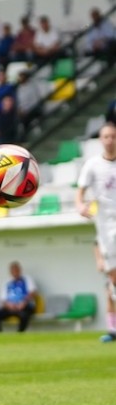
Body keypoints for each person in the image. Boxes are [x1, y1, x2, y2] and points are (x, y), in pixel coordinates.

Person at [76, 121, 116, 342]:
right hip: (106, 228)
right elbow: (79, 193)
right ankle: (113, 329)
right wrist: (80, 205)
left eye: (113, 136)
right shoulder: (92, 165)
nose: (110, 140)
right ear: (101, 140)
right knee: (111, 281)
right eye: (106, 136)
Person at [0, 262, 38, 333]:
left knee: (24, 315)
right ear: (10, 272)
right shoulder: (7, 283)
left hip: (24, 306)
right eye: (13, 271)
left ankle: (20, 333)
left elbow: (33, 293)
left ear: (20, 270)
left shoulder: (27, 279)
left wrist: (23, 303)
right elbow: (3, 299)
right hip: (10, 307)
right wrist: (9, 305)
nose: (15, 272)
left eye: (17, 270)